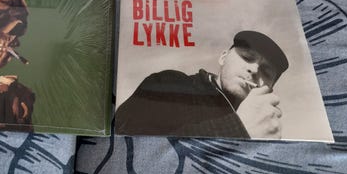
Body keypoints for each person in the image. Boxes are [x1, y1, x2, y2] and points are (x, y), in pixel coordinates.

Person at [115, 30, 289, 139]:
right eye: (247, 57)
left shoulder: (268, 130)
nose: (254, 69)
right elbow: (123, 150)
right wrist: (236, 129)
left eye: (266, 72)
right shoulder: (170, 85)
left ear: (270, 87)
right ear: (223, 57)